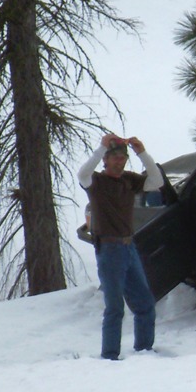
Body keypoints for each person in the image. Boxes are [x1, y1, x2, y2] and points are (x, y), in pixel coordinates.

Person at [77, 133, 164, 360]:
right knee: (115, 308)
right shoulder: (96, 182)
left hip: (129, 247)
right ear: (105, 160)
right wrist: (100, 148)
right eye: (114, 157)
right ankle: (110, 357)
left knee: (145, 304)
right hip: (109, 250)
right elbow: (82, 174)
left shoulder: (128, 180)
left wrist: (141, 152)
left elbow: (157, 182)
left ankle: (144, 352)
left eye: (122, 158)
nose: (119, 161)